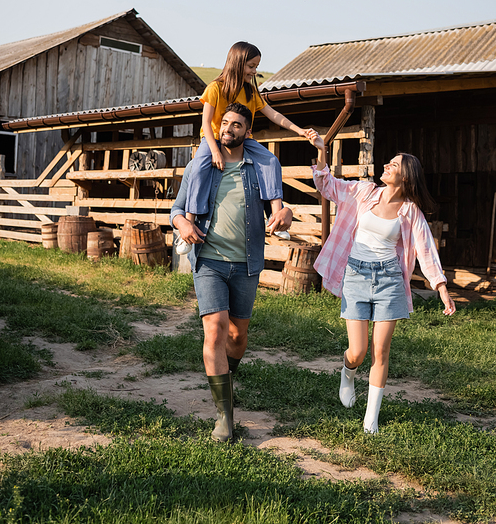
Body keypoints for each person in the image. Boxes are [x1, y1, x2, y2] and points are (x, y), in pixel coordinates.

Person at [307, 129, 456, 434]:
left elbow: (426, 248)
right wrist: (322, 151)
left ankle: (370, 419)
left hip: (389, 281)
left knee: (381, 351)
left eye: (394, 166)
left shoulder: (410, 211)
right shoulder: (363, 192)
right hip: (356, 276)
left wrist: (441, 288)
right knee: (358, 351)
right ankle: (347, 374)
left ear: (406, 178)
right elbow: (328, 186)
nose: (387, 166)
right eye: (388, 163)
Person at [171, 103, 293, 442]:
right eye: (224, 122)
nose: (228, 128)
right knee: (215, 331)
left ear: (247, 132)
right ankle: (224, 417)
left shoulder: (260, 166)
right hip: (208, 260)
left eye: (237, 124)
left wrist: (287, 215)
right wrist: (181, 223)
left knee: (237, 337)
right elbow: (177, 209)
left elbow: (280, 209)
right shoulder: (201, 167)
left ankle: (227, 380)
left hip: (246, 263)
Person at [177, 41, 307, 253]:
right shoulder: (215, 89)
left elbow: (273, 114)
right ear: (237, 64)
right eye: (251, 66)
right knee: (199, 168)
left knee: (271, 160)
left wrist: (299, 130)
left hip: (243, 139)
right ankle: (188, 225)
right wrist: (215, 150)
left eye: (256, 66)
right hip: (213, 139)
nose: (254, 71)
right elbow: (205, 124)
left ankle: (276, 215)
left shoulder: (250, 92)